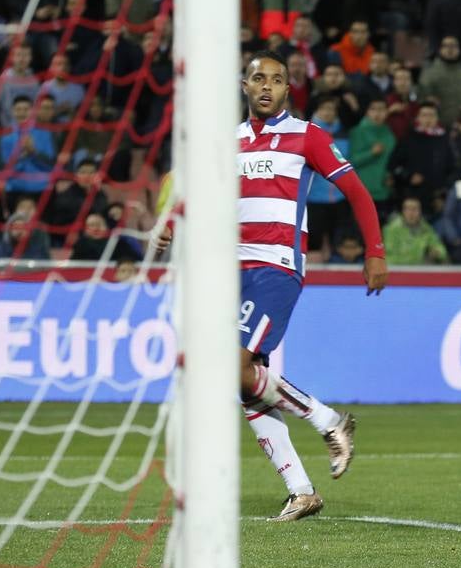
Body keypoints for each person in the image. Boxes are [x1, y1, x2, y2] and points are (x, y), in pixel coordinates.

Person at [158, 51, 388, 522]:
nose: (267, 86)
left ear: (288, 89)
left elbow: (358, 193)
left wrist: (375, 252)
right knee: (245, 384)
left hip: (276, 266)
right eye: (258, 78)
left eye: (277, 80)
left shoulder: (307, 136)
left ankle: (330, 421)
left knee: (232, 365)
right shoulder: (227, 142)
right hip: (230, 271)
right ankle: (301, 491)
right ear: (244, 86)